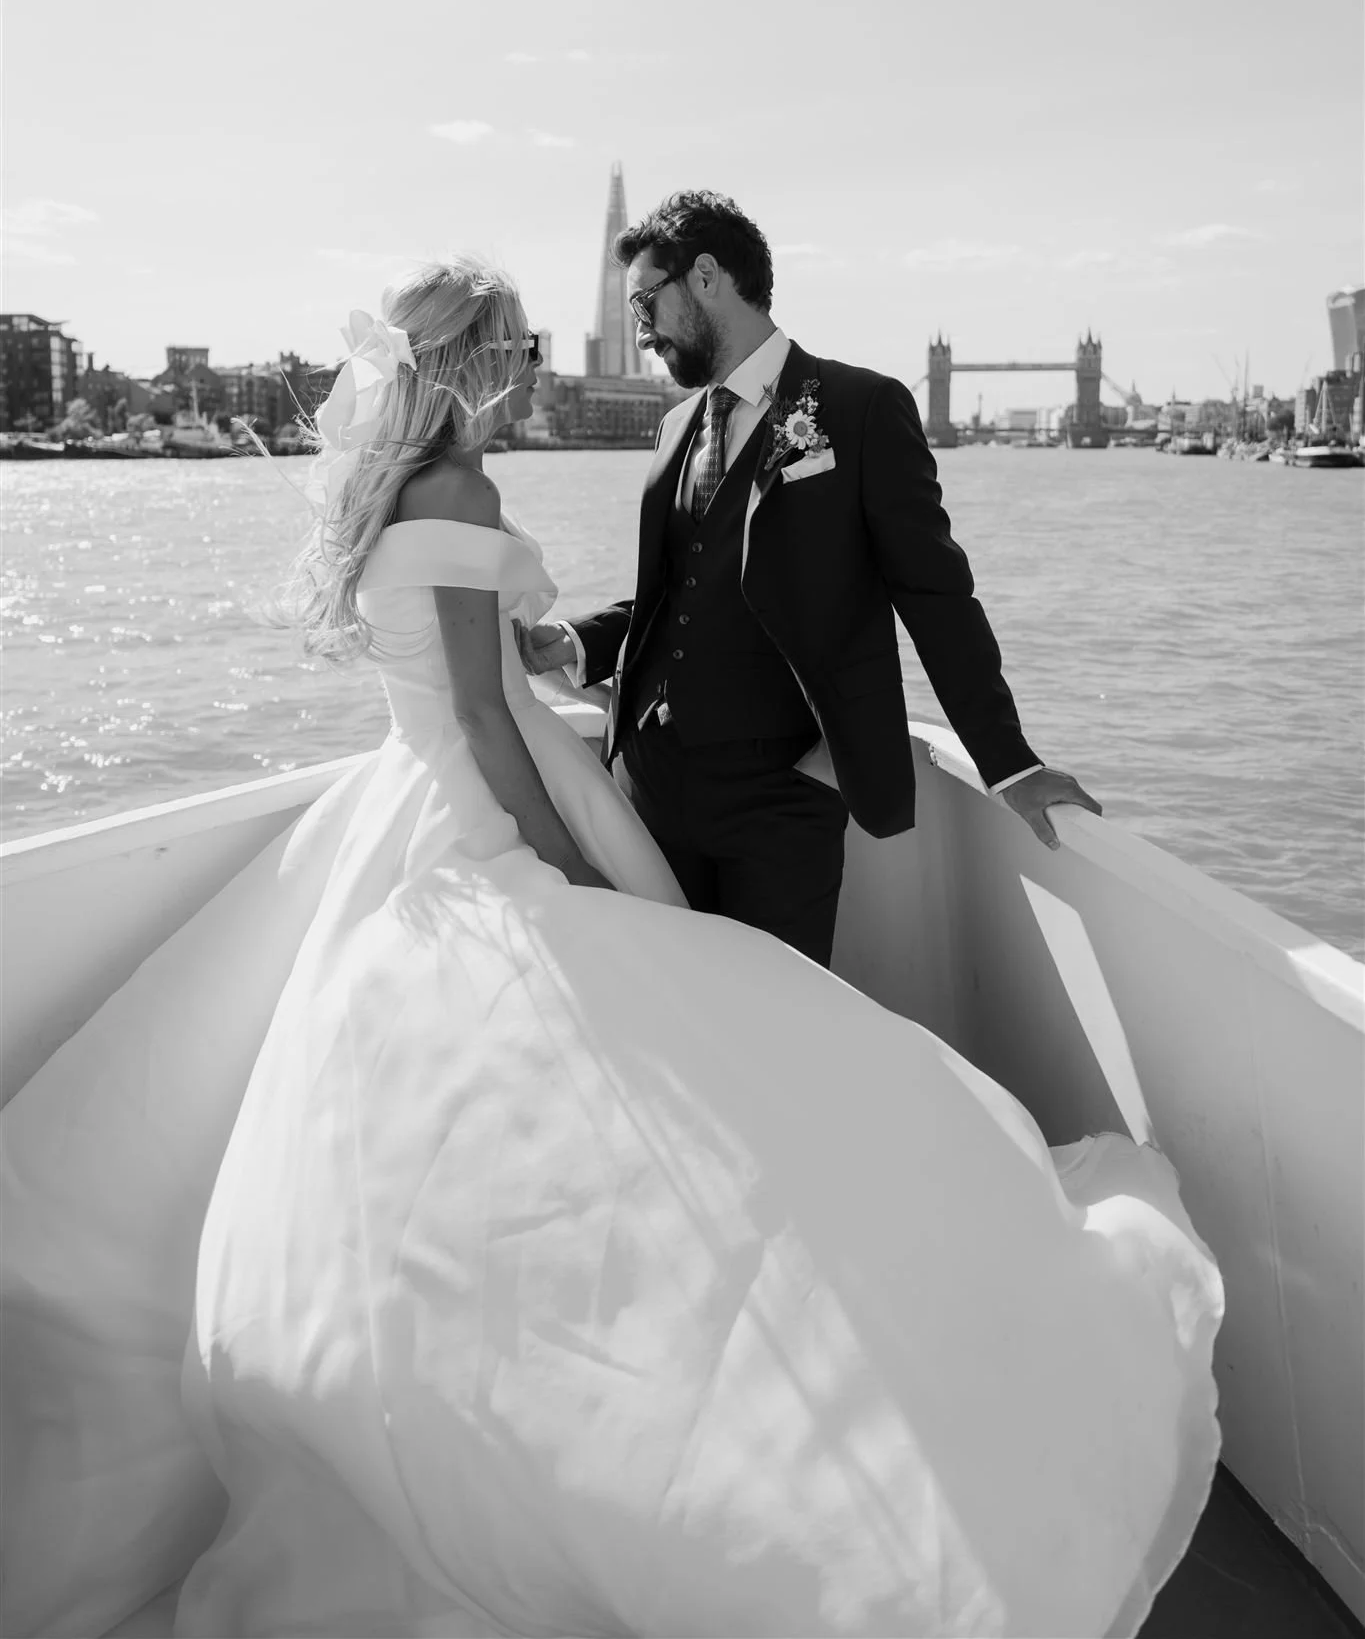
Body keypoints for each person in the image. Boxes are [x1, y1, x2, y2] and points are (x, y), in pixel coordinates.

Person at [2, 260, 1220, 1639]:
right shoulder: (460, 495)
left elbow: (472, 663)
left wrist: (541, 647)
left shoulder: (412, 499)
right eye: (515, 345)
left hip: (426, 806)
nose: (531, 362)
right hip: (488, 817)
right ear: (470, 364)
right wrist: (561, 862)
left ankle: (500, 1439)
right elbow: (476, 717)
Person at [519, 190, 1100, 966]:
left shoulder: (859, 409)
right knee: (670, 1008)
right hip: (651, 785)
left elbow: (937, 599)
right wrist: (577, 640)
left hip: (780, 799)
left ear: (704, 278)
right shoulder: (672, 427)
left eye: (644, 302)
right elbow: (680, 589)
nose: (640, 329)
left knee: (777, 1030)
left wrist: (1009, 762)